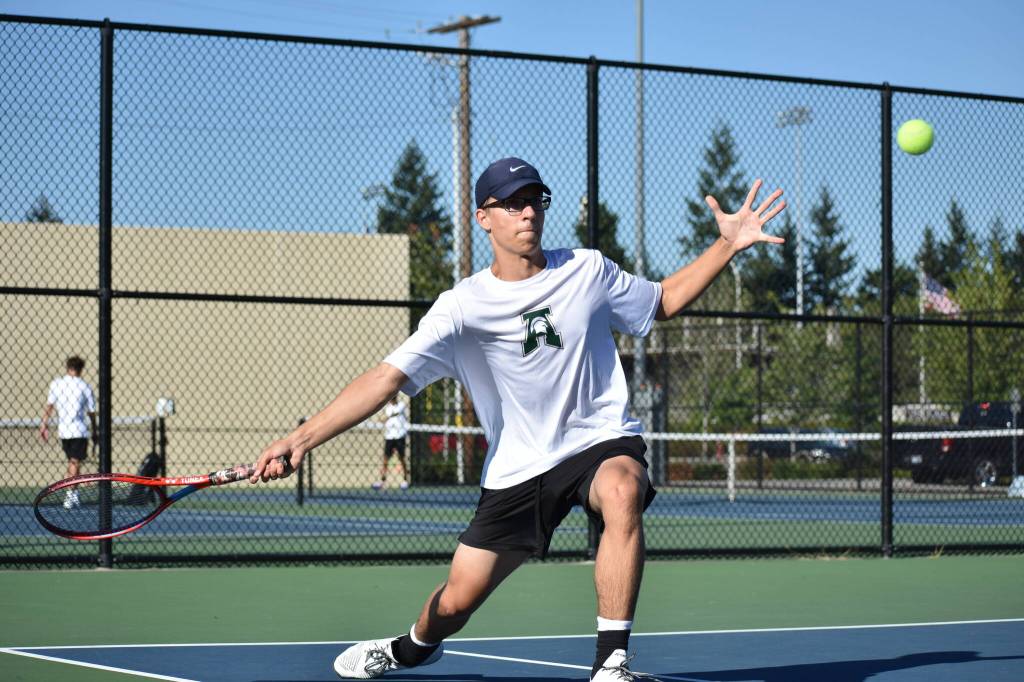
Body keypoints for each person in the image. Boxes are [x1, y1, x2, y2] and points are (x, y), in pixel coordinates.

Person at [250, 158, 785, 680]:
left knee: (622, 489)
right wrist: (301, 439)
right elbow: (385, 378)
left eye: (534, 200)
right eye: (511, 203)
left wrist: (727, 244)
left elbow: (661, 301)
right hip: (519, 467)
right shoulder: (462, 306)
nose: (528, 211)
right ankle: (411, 648)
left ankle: (611, 665)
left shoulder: (588, 270)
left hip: (598, 441)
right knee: (454, 604)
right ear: (483, 217)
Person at [39, 355, 97, 508]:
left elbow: (50, 406)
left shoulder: (56, 384)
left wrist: (44, 424)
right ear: (81, 369)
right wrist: (95, 430)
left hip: (64, 431)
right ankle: (71, 494)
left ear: (68, 368)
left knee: (73, 461)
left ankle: (73, 493)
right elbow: (91, 412)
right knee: (74, 462)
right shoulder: (85, 386)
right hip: (79, 431)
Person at [372, 396, 409, 490]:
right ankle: (382, 481)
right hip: (389, 437)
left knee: (402, 458)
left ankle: (405, 480)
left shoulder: (401, 405)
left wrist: (386, 418)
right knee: (385, 459)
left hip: (400, 435)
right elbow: (383, 419)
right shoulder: (387, 408)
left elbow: (395, 413)